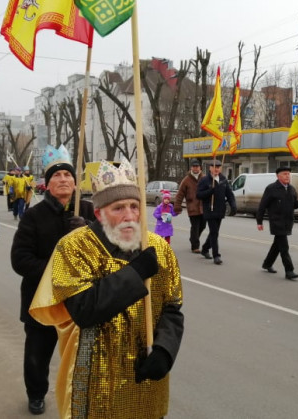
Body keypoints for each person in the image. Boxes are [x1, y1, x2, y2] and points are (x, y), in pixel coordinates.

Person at [29, 159, 184, 418]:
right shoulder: (73, 247)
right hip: (97, 376)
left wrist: (165, 350)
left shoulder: (158, 247)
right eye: (119, 208)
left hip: (143, 376)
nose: (130, 216)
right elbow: (84, 309)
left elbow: (172, 306)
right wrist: (135, 274)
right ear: (99, 213)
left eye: (134, 206)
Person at [11, 146, 95, 415]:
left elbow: (110, 250)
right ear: (47, 184)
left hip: (83, 299)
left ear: (75, 181)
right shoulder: (33, 216)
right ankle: (36, 393)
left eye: (67, 175)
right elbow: (20, 260)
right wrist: (58, 271)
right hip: (43, 298)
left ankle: (84, 394)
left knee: (84, 354)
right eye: (56, 175)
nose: (63, 180)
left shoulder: (89, 210)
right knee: (38, 351)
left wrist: (89, 230)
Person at [257, 166, 298, 281]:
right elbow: (262, 205)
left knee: (277, 246)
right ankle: (289, 271)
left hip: (288, 221)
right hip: (276, 222)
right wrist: (259, 221)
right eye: (284, 174)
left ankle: (267, 264)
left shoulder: (291, 189)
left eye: (288, 174)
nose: (287, 176)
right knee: (284, 247)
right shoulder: (271, 188)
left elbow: (293, 204)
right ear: (278, 176)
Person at [196, 159, 237, 265]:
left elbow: (229, 194)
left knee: (214, 232)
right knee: (214, 232)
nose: (216, 169)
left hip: (220, 209)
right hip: (209, 210)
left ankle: (205, 248)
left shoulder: (223, 179)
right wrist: (210, 191)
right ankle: (216, 256)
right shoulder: (205, 180)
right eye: (214, 167)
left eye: (218, 167)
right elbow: (198, 195)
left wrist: (233, 205)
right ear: (210, 168)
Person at [174, 159, 206, 253]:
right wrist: (177, 206)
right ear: (191, 168)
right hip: (192, 207)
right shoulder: (186, 180)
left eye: (197, 166)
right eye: (194, 166)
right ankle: (195, 246)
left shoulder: (204, 178)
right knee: (195, 226)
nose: (195, 168)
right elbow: (180, 194)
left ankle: (193, 239)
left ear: (200, 167)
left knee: (203, 226)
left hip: (203, 207)